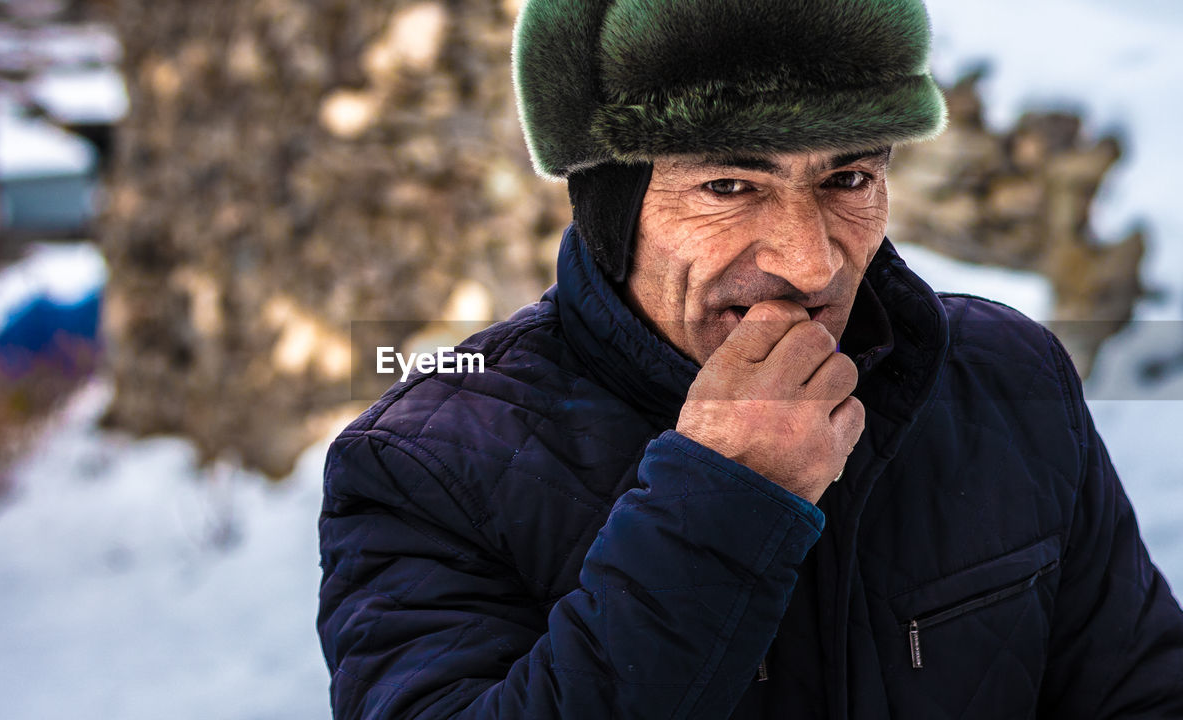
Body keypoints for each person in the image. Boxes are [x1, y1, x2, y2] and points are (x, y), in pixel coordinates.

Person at [316, 0, 1183, 717]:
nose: (812, 263)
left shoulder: (1007, 373)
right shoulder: (423, 465)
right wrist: (726, 497)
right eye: (730, 187)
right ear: (611, 211)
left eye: (848, 179)